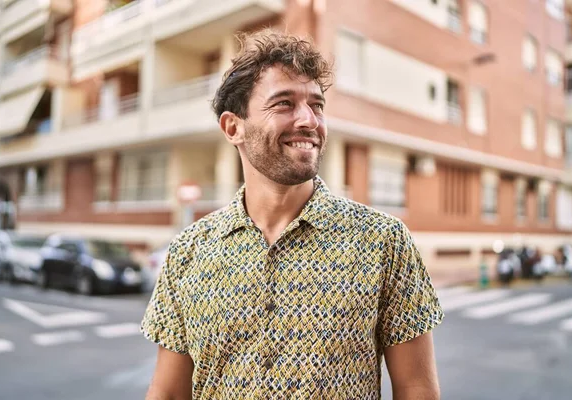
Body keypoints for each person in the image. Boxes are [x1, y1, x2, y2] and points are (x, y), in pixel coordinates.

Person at [141, 29, 444, 400]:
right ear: (233, 127)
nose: (308, 121)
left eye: (316, 105)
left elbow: (416, 388)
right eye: (284, 103)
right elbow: (169, 393)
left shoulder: (383, 241)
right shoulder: (187, 251)